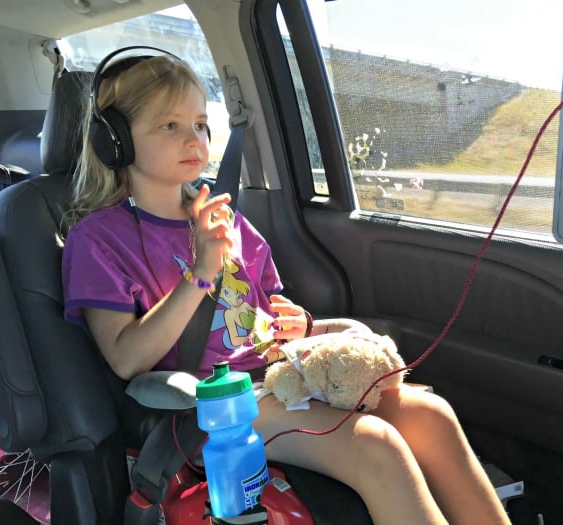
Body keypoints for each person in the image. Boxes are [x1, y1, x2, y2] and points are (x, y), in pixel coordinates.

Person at [61, 50, 510, 525]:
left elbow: (265, 316)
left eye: (198, 123)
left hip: (278, 379)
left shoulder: (227, 220)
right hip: (211, 407)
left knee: (432, 417)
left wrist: (298, 326)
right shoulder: (98, 239)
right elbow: (126, 359)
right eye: (169, 125)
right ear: (115, 141)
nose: (192, 138)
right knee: (377, 447)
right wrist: (201, 273)